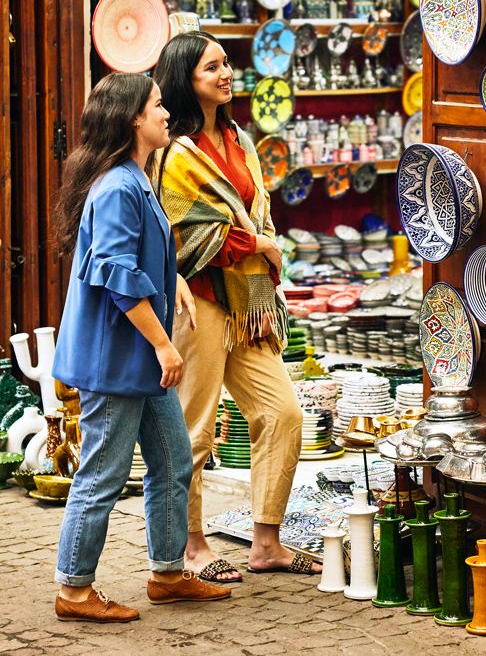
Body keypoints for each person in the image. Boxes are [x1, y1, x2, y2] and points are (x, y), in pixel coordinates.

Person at [50, 72, 231, 622]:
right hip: (119, 358)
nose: (165, 112)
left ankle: (168, 573)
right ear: (132, 118)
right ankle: (74, 590)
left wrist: (172, 277)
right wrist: (164, 347)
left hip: (137, 359)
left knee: (174, 460)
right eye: (156, 105)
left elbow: (140, 254)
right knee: (102, 473)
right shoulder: (119, 186)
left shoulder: (134, 176)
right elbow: (114, 275)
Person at [154, 32, 319, 583]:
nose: (227, 74)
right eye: (211, 68)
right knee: (193, 430)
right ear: (186, 80)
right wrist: (258, 246)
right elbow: (184, 234)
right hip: (199, 302)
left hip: (247, 303)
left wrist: (260, 245)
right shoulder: (176, 153)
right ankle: (192, 545)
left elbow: (256, 214)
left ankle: (266, 542)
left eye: (226, 64)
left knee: (282, 413)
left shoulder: (239, 140)